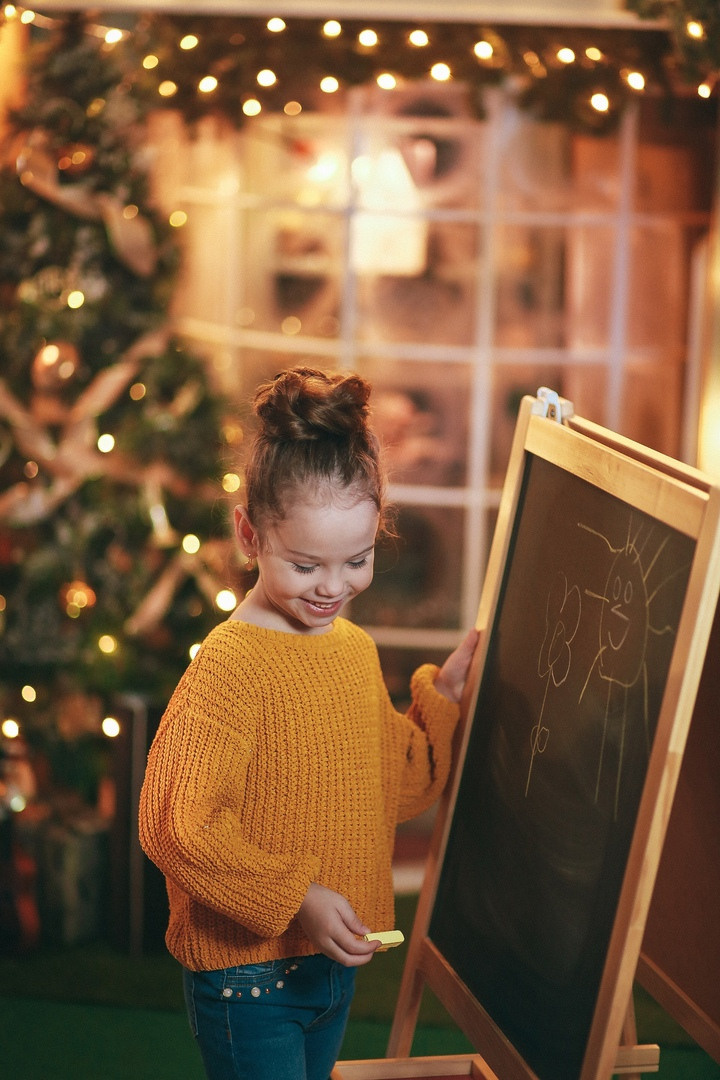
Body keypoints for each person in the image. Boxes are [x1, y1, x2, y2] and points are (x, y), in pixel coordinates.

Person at [138, 366, 478, 1080]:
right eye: (304, 565)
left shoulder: (354, 652)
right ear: (249, 535)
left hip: (332, 973)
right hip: (249, 983)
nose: (333, 587)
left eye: (358, 560)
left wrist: (442, 698)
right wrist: (295, 897)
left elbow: (393, 785)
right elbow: (176, 823)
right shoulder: (231, 668)